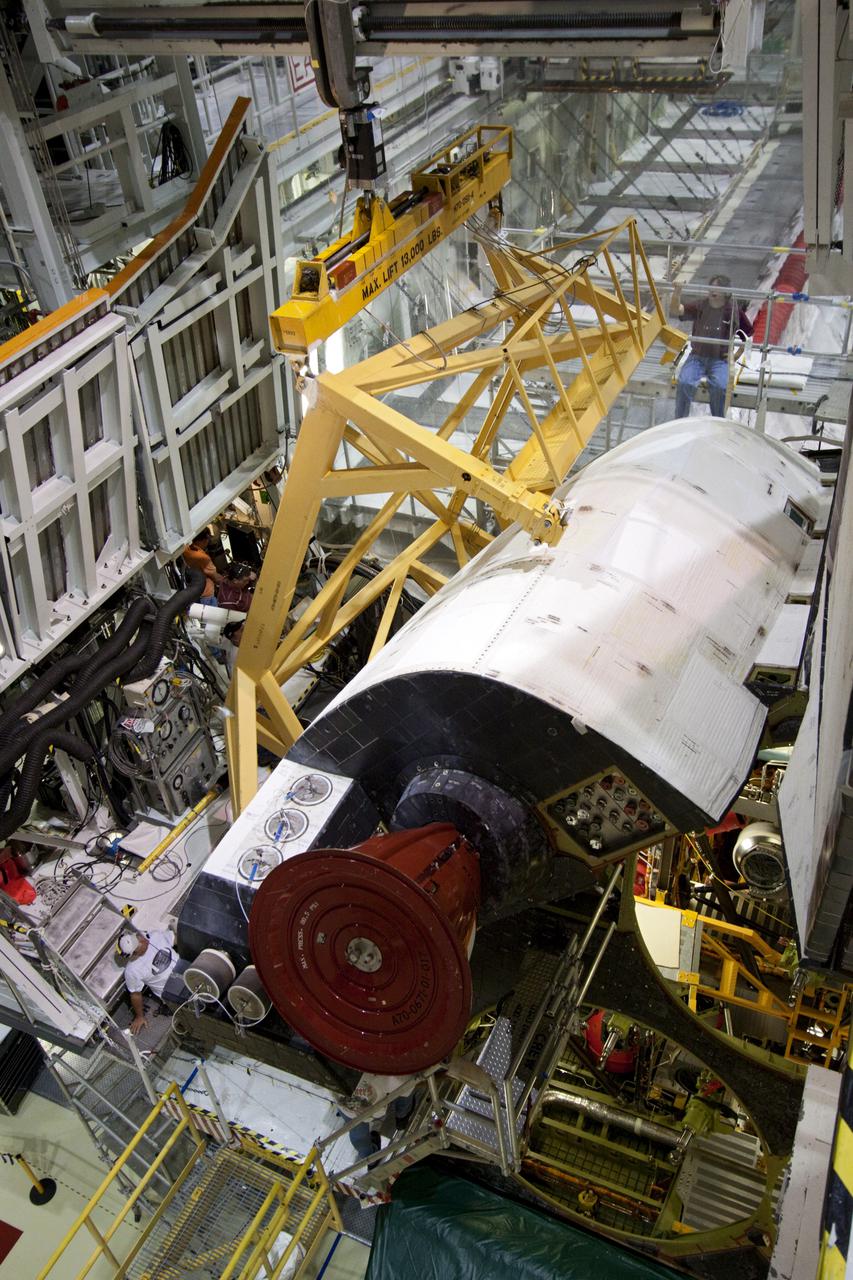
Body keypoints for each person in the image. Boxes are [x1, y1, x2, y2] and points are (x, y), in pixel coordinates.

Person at [670, 275, 753, 419]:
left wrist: (736, 355)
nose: (713, 292)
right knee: (684, 382)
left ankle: (718, 421)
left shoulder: (733, 311)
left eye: (717, 288)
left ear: (726, 292)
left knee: (720, 387)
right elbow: (677, 310)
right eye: (711, 288)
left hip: (720, 360)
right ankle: (680, 421)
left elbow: (748, 335)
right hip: (697, 357)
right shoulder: (701, 306)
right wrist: (677, 292)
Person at [118, 928, 179, 1034]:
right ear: (135, 953)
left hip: (187, 971)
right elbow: (135, 994)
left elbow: (175, 939)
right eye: (140, 943)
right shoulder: (132, 971)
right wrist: (139, 1016)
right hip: (173, 994)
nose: (143, 940)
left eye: (138, 937)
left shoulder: (155, 935)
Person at [183, 529, 223, 604]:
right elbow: (216, 578)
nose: (208, 541)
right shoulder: (203, 558)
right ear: (203, 540)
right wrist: (228, 581)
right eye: (207, 539)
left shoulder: (185, 549)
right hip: (206, 595)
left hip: (192, 590)